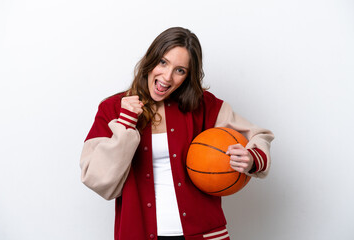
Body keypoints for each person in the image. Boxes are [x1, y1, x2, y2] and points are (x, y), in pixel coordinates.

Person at [80, 27, 274, 240]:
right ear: (150, 60)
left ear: (188, 76)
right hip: (139, 233)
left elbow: (258, 134)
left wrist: (251, 159)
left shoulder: (204, 106)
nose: (167, 76)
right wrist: (126, 123)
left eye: (180, 70)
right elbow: (97, 179)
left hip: (205, 234)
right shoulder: (113, 109)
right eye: (163, 62)